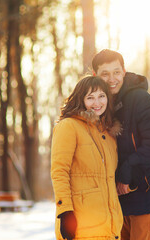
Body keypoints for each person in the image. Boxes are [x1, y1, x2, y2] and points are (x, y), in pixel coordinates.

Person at [92, 49, 150, 240]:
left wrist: (128, 171)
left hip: (143, 190)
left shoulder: (141, 100)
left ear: (124, 71)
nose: (112, 79)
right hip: (117, 196)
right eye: (105, 74)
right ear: (95, 76)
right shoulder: (101, 106)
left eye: (116, 72)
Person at [51, 76, 123, 240]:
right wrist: (65, 211)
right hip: (81, 226)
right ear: (81, 100)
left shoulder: (108, 135)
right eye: (90, 97)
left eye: (101, 96)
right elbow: (59, 171)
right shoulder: (68, 126)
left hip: (111, 227)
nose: (97, 102)